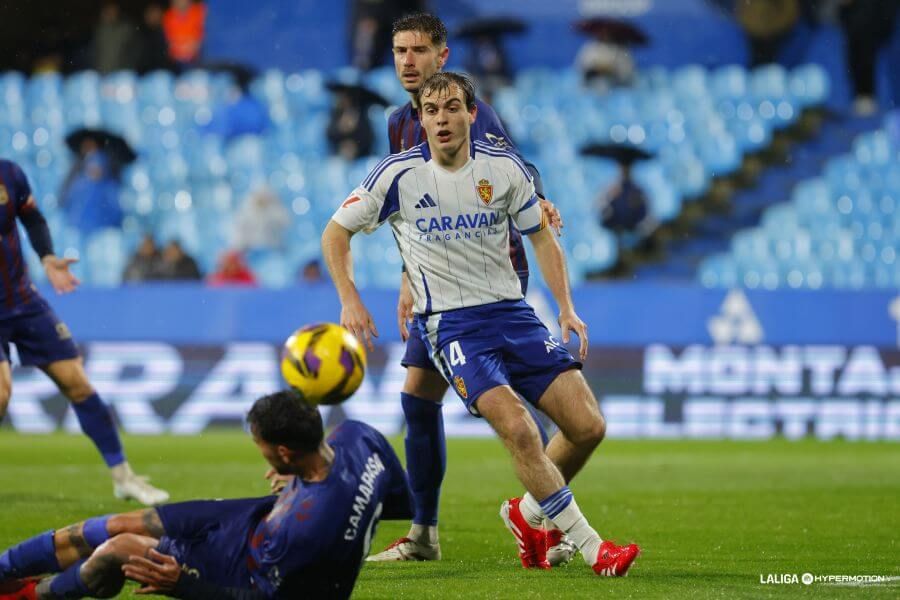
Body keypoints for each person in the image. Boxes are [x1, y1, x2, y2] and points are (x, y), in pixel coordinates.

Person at [321, 72, 641, 576]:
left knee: (588, 426)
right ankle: (595, 548)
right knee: (518, 428)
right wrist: (349, 298)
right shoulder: (397, 175)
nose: (442, 118)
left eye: (452, 108)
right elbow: (335, 234)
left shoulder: (504, 169)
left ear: (473, 114)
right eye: (432, 110)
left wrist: (566, 308)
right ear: (420, 118)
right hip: (451, 327)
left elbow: (541, 238)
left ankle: (528, 513)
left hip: (514, 315)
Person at [365, 13, 565, 564]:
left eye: (419, 51)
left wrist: (541, 198)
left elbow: (518, 166)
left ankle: (546, 519)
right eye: (399, 51)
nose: (408, 61)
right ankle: (427, 534)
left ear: (442, 56)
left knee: (526, 403)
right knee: (417, 398)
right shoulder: (397, 122)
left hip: (491, 275)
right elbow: (415, 205)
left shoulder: (466, 110)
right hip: (438, 286)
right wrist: (409, 276)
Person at [0, 390, 414, 600]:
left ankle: (32, 595)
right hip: (254, 519)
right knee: (118, 523)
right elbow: (401, 500)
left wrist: (183, 585)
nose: (262, 454)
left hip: (244, 563)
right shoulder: (359, 439)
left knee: (118, 548)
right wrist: (303, 483)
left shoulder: (304, 530)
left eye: (262, 446)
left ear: (285, 451)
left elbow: (263, 598)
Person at [0, 159, 167, 506]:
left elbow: (32, 216)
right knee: (1, 393)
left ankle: (123, 477)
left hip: (23, 300)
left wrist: (47, 257)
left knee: (78, 383)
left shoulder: (9, 173)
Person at [232, 186, 290, 252]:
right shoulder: (247, 210)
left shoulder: (276, 212)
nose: (261, 201)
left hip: (272, 242)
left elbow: (286, 222)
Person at [90, 1, 138, 74]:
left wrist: (127, 68)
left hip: (120, 74)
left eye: (113, 10)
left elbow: (134, 52)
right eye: (108, 10)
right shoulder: (99, 30)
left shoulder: (126, 29)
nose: (110, 13)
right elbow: (94, 53)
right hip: (101, 73)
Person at [162, 0, 206, 69]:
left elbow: (206, 36)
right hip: (177, 62)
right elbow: (170, 43)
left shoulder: (200, 11)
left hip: (199, 59)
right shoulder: (168, 16)